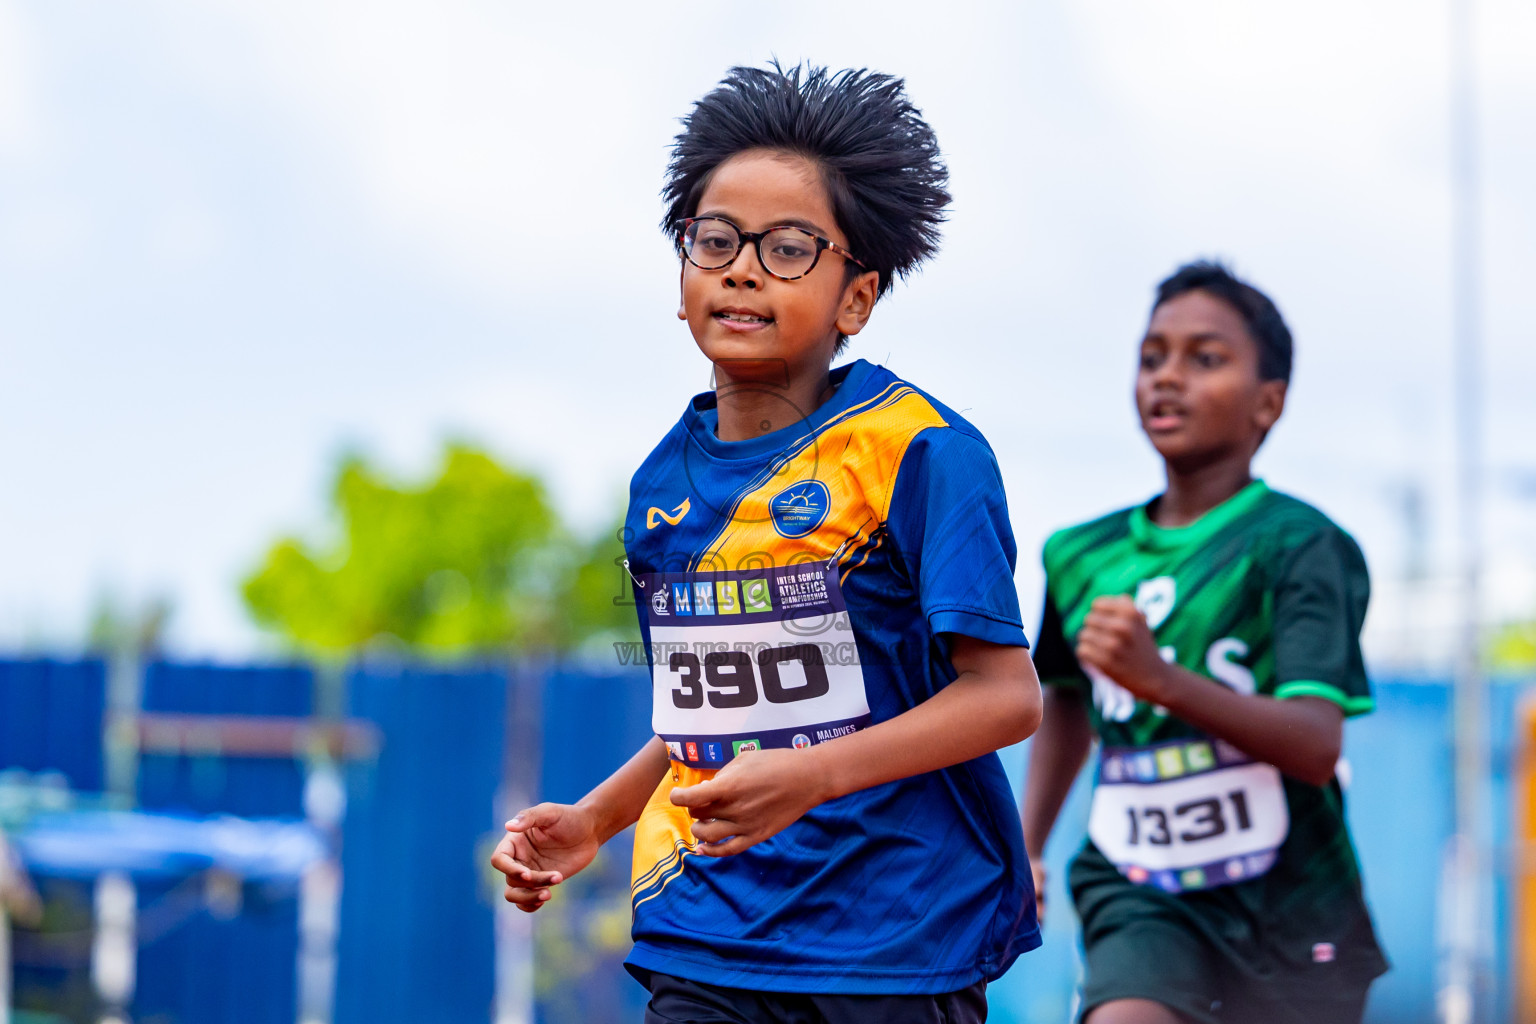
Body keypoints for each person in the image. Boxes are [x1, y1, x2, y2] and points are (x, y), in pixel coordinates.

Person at [490, 63, 1043, 1023]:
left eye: (789, 248)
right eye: (715, 240)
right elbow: (716, 708)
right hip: (706, 929)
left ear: (856, 297)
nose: (742, 267)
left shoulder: (922, 453)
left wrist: (815, 777)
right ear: (683, 275)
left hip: (892, 944)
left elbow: (1006, 698)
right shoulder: (664, 481)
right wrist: (596, 818)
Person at [1021, 261, 1389, 1024]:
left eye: (1205, 358)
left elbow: (1316, 745)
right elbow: (1065, 699)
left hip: (1292, 906)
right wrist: (1024, 848)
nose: (1168, 377)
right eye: (1153, 356)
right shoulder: (1080, 555)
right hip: (1137, 883)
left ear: (1269, 402)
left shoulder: (1301, 546)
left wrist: (1161, 679)